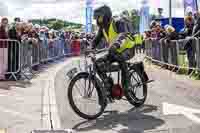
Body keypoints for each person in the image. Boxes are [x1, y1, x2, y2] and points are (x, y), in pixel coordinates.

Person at [92, 5, 136, 101]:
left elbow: (122, 34)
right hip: (114, 51)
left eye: (99, 17)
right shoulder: (102, 28)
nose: (98, 21)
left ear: (106, 15)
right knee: (98, 63)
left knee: (119, 57)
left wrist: (116, 44)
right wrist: (90, 48)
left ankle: (127, 85)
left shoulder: (117, 21)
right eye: (97, 18)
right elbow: (96, 40)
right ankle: (108, 86)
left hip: (128, 48)